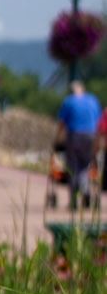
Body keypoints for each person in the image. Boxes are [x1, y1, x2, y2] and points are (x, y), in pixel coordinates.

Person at [55, 79, 103, 207]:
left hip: (74, 136)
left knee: (73, 167)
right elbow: (98, 121)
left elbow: (61, 123)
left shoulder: (69, 101)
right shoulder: (93, 100)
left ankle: (74, 199)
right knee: (85, 165)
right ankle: (86, 190)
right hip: (90, 136)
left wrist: (57, 138)